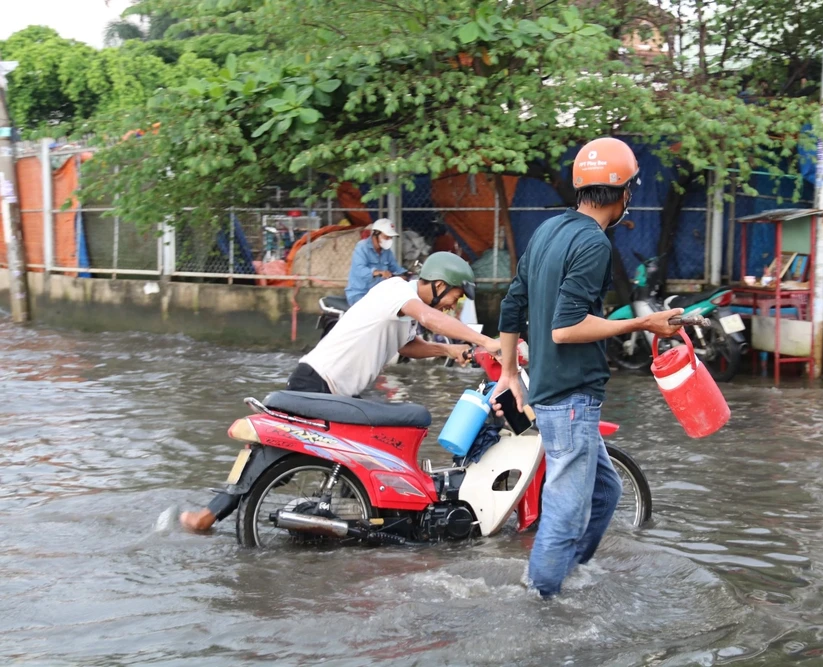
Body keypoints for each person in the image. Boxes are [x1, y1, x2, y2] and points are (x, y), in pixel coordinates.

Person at [180, 252, 501, 532]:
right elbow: (430, 317)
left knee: (364, 458)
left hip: (341, 394)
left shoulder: (405, 312)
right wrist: (486, 341)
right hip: (317, 382)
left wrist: (449, 351)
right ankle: (209, 515)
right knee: (276, 457)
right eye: (454, 297)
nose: (453, 305)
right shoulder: (397, 291)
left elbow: (406, 346)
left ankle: (352, 526)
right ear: (439, 284)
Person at [491, 137, 684, 598]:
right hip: (571, 395)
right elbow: (566, 328)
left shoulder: (549, 230)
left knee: (606, 494)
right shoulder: (594, 243)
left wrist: (509, 374)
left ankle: (564, 573)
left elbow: (513, 302)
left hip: (552, 387)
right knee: (567, 508)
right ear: (624, 193)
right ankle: (539, 597)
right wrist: (644, 322)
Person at [345, 218, 407, 306]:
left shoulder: (386, 251)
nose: (389, 240)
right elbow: (360, 270)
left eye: (390, 238)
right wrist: (379, 272)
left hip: (378, 294)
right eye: (386, 237)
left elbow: (395, 267)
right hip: (360, 294)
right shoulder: (362, 247)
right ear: (376, 234)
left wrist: (406, 274)